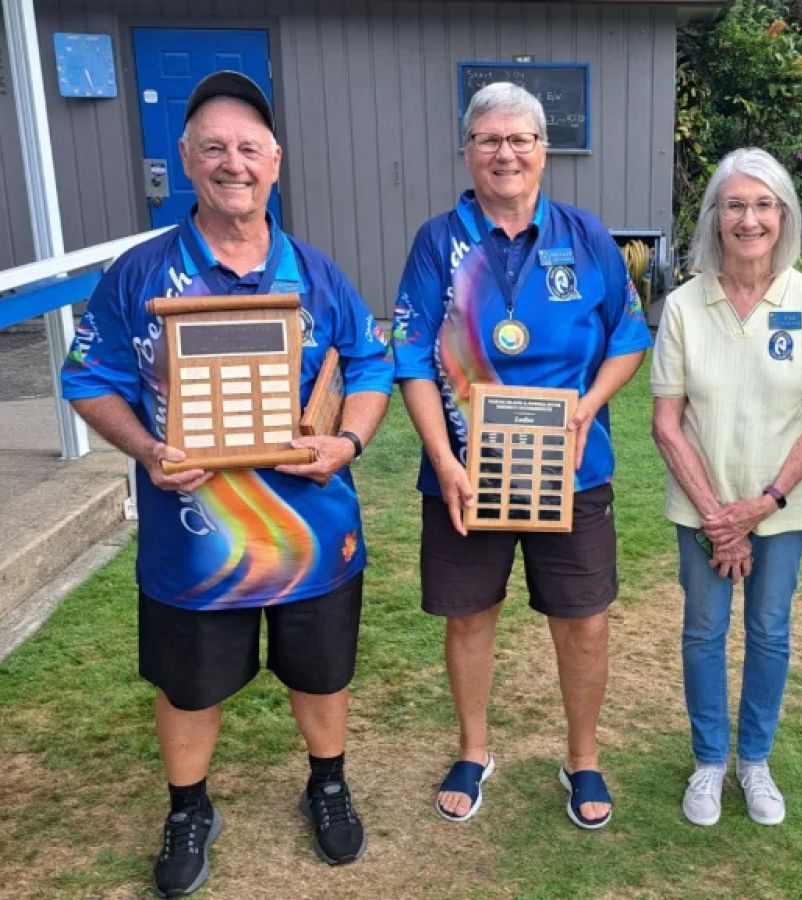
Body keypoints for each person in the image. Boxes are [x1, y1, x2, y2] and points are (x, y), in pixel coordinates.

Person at [60, 71, 392, 897]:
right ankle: (188, 808)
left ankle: (327, 784)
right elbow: (87, 376)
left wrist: (347, 440)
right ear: (185, 159)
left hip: (313, 536)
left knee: (322, 674)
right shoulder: (139, 274)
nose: (232, 163)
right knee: (189, 686)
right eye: (213, 147)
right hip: (194, 541)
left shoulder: (316, 273)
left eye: (248, 148)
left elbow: (371, 362)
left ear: (275, 162)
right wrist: (147, 448)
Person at [391, 82, 651, 830]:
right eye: (489, 139)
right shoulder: (438, 242)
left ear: (543, 150)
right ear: (467, 151)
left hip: (572, 468)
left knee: (584, 620)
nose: (505, 153)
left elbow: (629, 336)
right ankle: (474, 750)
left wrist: (588, 405)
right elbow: (410, 355)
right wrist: (443, 460)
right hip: (465, 472)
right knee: (470, 615)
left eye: (520, 139)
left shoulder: (586, 236)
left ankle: (583, 757)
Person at [650, 148, 802, 827]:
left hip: (782, 508)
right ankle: (710, 761)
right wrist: (718, 517)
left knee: (769, 631)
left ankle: (755, 761)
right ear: (715, 217)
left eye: (764, 205)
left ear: (783, 216)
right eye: (735, 205)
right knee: (704, 631)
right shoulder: (684, 305)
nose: (750, 219)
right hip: (702, 509)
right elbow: (666, 423)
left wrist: (762, 505)